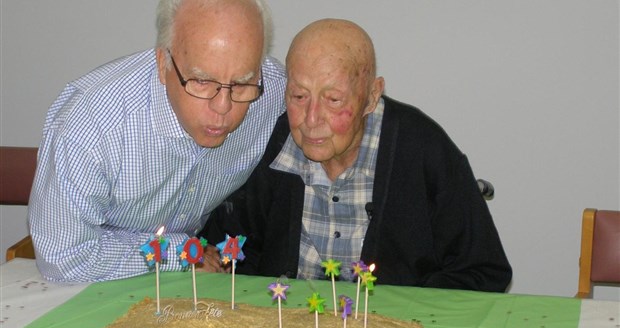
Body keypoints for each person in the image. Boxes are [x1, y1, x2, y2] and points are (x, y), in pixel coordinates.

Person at [201, 18, 512, 292]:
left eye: (333, 99)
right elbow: (228, 250)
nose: (311, 119)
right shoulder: (268, 143)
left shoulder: (421, 148)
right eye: (298, 96)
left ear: (371, 97)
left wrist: (404, 311)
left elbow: (483, 271)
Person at [28, 0, 286, 282]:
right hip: (98, 275)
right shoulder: (91, 125)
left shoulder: (272, 94)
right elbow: (64, 257)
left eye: (240, 83)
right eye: (201, 81)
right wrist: (182, 255)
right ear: (163, 63)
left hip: (199, 280)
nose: (223, 107)